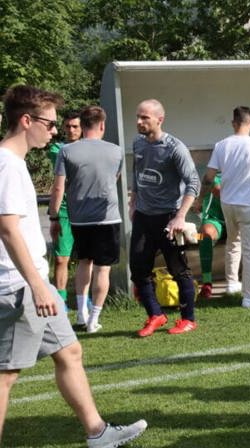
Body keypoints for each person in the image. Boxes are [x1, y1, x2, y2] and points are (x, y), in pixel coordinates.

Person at [0, 85, 147, 447]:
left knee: (70, 351)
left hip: (33, 282)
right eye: (49, 124)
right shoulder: (6, 164)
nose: (55, 132)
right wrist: (36, 284)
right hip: (19, 286)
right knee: (6, 374)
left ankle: (97, 432)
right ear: (25, 120)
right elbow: (7, 228)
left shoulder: (14, 164)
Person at [48, 106, 123, 333]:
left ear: (82, 124)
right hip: (107, 218)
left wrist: (53, 216)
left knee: (83, 262)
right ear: (102, 125)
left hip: (79, 218)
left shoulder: (67, 151)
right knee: (103, 269)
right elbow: (115, 178)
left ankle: (82, 312)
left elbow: (59, 186)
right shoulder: (116, 151)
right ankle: (94, 320)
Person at [130, 99, 200, 336]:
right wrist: (133, 201)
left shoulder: (174, 148)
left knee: (178, 269)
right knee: (138, 268)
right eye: (138, 117)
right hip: (143, 216)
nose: (139, 122)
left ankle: (188, 319)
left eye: (145, 118)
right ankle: (155, 315)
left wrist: (180, 216)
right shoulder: (138, 144)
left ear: (159, 120)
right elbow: (136, 173)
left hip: (169, 217)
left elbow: (194, 183)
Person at [196, 106, 250, 307]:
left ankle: (232, 284)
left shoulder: (221, 145)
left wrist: (199, 199)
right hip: (248, 204)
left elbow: (209, 177)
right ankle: (248, 296)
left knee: (233, 243)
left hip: (227, 204)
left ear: (233, 123)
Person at [196, 173, 250, 299]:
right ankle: (207, 282)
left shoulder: (244, 173)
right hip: (215, 221)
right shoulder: (215, 175)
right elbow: (219, 191)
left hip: (239, 220)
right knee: (201, 235)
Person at [46, 111, 81, 306]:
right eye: (67, 126)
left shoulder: (89, 148)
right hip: (65, 210)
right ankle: (61, 302)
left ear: (82, 128)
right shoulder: (57, 149)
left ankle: (85, 300)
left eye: (75, 126)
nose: (70, 130)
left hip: (85, 209)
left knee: (87, 259)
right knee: (61, 259)